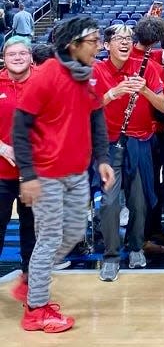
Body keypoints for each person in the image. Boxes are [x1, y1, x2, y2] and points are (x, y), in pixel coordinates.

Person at [14, 17, 115, 333]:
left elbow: (96, 116)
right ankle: (36, 309)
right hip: (46, 175)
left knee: (72, 235)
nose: (99, 46)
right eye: (94, 41)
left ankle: (32, 281)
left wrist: (102, 158)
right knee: (51, 238)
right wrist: (28, 175)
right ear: (73, 44)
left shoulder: (88, 76)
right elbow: (20, 128)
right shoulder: (45, 77)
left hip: (77, 173)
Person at [92, 24, 164, 281]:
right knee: (110, 203)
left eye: (128, 38)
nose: (124, 42)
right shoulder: (95, 70)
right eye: (118, 38)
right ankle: (111, 255)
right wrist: (112, 94)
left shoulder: (148, 68)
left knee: (139, 202)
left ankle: (136, 246)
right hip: (109, 145)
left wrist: (145, 89)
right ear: (106, 45)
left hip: (140, 141)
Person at [0, 37, 36, 303]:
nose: (17, 56)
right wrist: (2, 148)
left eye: (22, 52)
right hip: (2, 172)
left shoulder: (43, 83)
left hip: (34, 174)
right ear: (4, 56)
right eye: (12, 53)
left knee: (32, 229)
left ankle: (32, 281)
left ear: (30, 56)